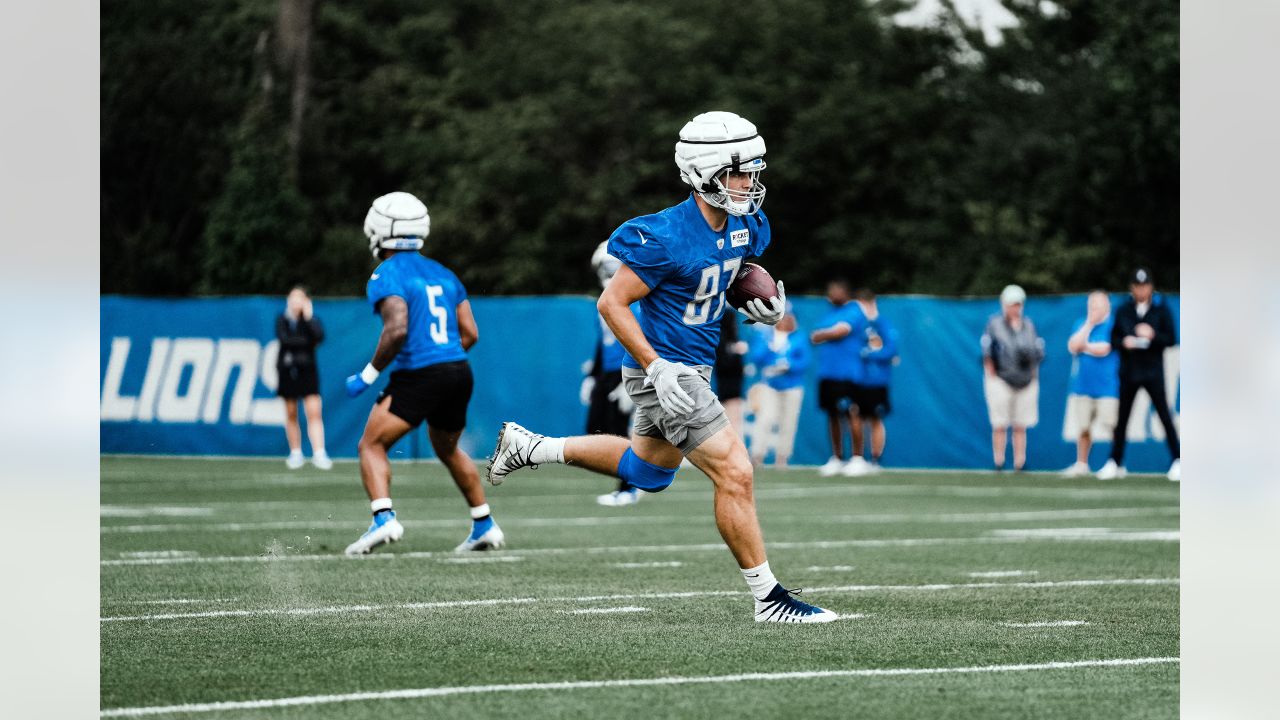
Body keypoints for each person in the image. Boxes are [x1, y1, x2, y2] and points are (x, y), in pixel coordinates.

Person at [485, 111, 837, 623]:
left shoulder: (746, 225)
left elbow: (731, 276)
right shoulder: (664, 235)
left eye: (754, 172)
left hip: (694, 368)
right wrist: (656, 368)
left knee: (646, 472)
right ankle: (769, 599)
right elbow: (611, 304)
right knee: (736, 472)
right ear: (706, 173)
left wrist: (760, 308)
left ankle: (533, 447)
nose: (751, 183)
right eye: (740, 172)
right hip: (667, 374)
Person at [341, 191, 504, 555]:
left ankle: (383, 518)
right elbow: (470, 333)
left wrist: (368, 375)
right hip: (459, 371)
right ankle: (484, 523)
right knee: (447, 449)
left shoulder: (386, 273)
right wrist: (445, 360)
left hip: (420, 374)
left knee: (371, 444)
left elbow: (397, 328)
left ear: (381, 228)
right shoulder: (444, 273)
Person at [1097, 268, 1181, 481]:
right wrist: (1125, 342)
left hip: (1153, 371)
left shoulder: (1161, 309)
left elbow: (1171, 338)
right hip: (1130, 371)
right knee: (1122, 419)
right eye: (1137, 286)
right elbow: (1114, 339)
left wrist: (1152, 336)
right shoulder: (1124, 309)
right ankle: (1115, 462)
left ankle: (1178, 459)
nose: (1141, 290)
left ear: (1151, 287)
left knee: (1164, 416)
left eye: (1144, 286)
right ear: (1132, 288)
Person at [583, 241, 643, 507]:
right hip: (607, 374)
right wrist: (592, 376)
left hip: (627, 372)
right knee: (595, 431)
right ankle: (631, 478)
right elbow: (602, 343)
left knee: (620, 433)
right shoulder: (605, 301)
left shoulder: (634, 302)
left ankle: (630, 486)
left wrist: (636, 378)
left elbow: (642, 340)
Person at [980, 284, 1045, 471]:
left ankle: (1019, 462)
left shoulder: (1029, 326)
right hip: (1001, 378)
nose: (1014, 308)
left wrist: (1031, 366)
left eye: (1017, 304)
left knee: (1020, 424)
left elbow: (1039, 352)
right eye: (1011, 304)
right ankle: (998, 461)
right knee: (1000, 423)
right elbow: (987, 351)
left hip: (1025, 379)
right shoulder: (994, 324)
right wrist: (991, 376)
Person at [808, 279, 865, 476]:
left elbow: (841, 331)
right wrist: (825, 334)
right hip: (828, 373)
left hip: (847, 373)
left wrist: (824, 334)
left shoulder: (854, 309)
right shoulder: (829, 314)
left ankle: (858, 458)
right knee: (832, 415)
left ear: (844, 292)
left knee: (851, 413)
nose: (831, 295)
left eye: (835, 291)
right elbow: (813, 336)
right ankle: (837, 458)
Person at [1062, 291, 1119, 477]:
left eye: (1098, 305)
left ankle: (1116, 462)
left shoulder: (1113, 325)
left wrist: (1084, 347)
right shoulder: (1081, 324)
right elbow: (1072, 346)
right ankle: (1082, 463)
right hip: (1083, 386)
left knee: (1112, 425)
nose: (1093, 308)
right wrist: (1089, 324)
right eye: (1091, 304)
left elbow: (1104, 349)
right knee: (1083, 427)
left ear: (1107, 306)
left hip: (1107, 386)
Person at [275, 285, 332, 470]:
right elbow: (285, 340)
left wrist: (307, 318)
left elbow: (319, 337)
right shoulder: (283, 320)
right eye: (292, 297)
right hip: (288, 371)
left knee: (314, 412)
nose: (295, 301)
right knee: (291, 413)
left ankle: (319, 453)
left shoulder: (311, 320)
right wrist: (306, 343)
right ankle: (296, 453)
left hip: (308, 371)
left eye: (299, 298)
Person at [746, 306, 809, 467]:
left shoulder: (799, 337)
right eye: (783, 317)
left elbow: (805, 361)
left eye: (789, 317)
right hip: (770, 384)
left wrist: (789, 365)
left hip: (792, 385)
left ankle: (782, 457)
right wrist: (769, 348)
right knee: (765, 419)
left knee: (788, 422)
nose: (786, 320)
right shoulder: (766, 335)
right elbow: (756, 357)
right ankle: (757, 455)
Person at [846, 289, 898, 474]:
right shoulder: (856, 325)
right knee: (855, 416)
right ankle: (857, 457)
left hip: (877, 381)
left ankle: (876, 459)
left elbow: (891, 350)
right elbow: (851, 351)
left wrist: (869, 353)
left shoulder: (883, 324)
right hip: (857, 380)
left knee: (875, 418)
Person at [714, 311, 749, 437]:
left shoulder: (733, 339)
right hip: (727, 388)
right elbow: (723, 364)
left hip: (734, 387)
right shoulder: (720, 340)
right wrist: (735, 352)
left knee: (734, 422)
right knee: (731, 423)